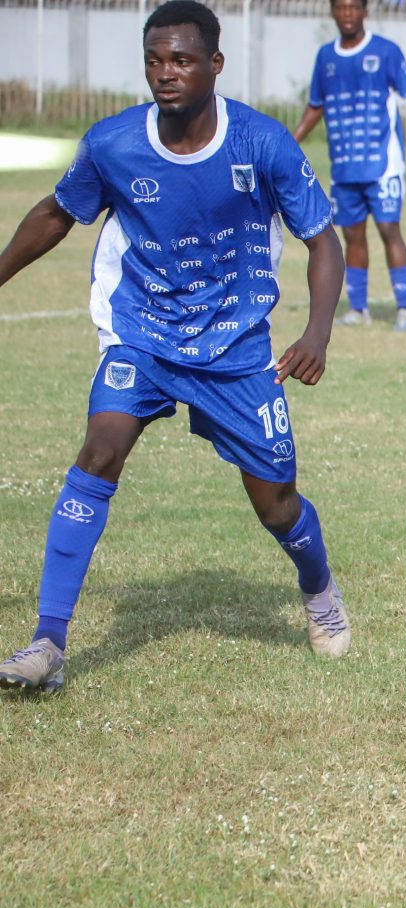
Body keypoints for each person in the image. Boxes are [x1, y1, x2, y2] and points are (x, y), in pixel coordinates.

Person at [0, 0, 351, 694]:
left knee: (276, 501)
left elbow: (323, 240)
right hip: (144, 333)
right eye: (155, 61)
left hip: (237, 348)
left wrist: (316, 333)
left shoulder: (263, 143)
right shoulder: (113, 144)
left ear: (214, 65)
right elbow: (55, 213)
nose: (167, 73)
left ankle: (319, 591)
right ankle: (48, 641)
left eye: (183, 60)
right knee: (100, 448)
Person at [293, 0, 406, 332]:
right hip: (344, 168)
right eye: (341, 8)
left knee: (388, 230)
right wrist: (288, 143)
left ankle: (404, 310)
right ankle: (358, 309)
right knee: (352, 236)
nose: (348, 14)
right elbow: (316, 106)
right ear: (333, 12)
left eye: (355, 7)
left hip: (382, 165)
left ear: (365, 12)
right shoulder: (325, 57)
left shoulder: (385, 52)